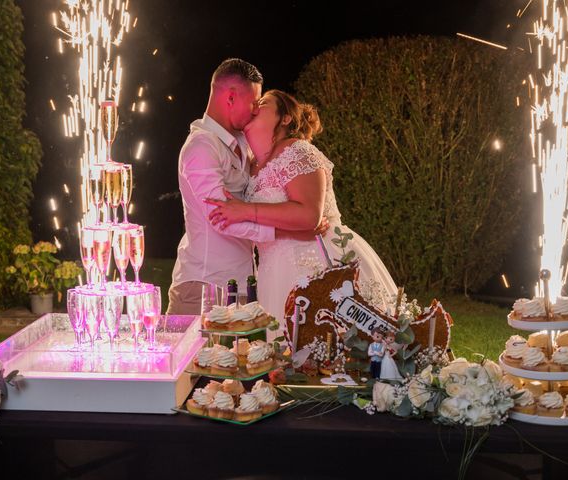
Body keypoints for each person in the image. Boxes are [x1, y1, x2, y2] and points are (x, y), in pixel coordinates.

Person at [205, 89, 398, 339]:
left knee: (341, 347)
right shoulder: (252, 165)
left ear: (285, 118)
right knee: (290, 355)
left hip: (318, 262)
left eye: (263, 103)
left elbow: (309, 216)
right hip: (274, 270)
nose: (254, 107)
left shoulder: (297, 152)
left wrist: (244, 210)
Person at [167, 61, 324, 315]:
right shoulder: (201, 148)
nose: (255, 111)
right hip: (205, 287)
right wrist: (291, 233)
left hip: (242, 285)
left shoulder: (243, 143)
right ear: (230, 97)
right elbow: (221, 218)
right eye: (254, 102)